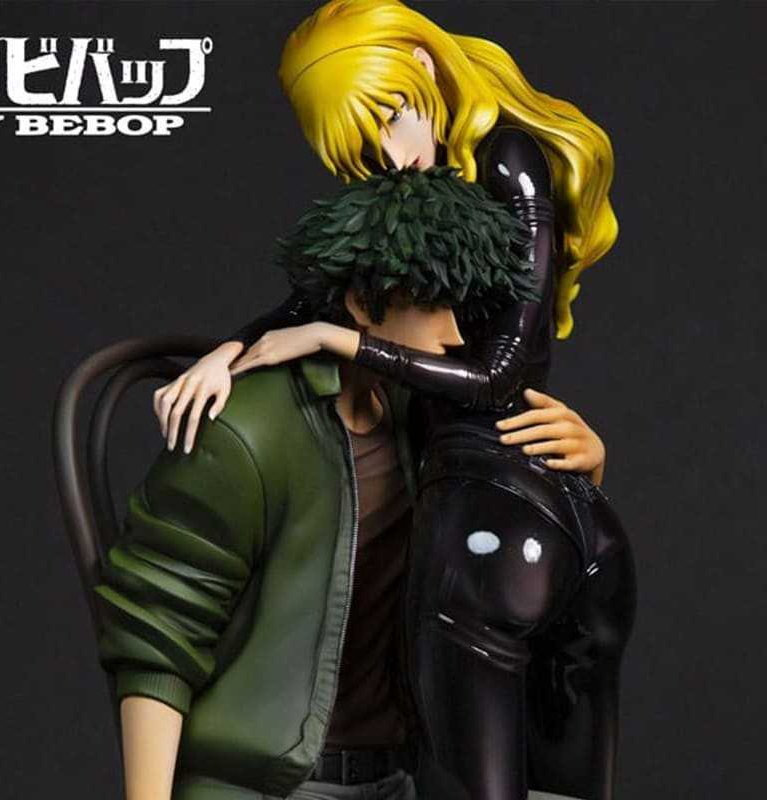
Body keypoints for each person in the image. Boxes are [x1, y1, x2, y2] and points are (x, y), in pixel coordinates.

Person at [151, 3, 635, 798]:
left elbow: (498, 375)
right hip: (572, 518)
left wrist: (339, 342)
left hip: (489, 517)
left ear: (422, 60)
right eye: (363, 148)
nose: (391, 156)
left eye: (389, 116)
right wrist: (228, 352)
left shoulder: (508, 160)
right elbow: (319, 295)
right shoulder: (420, 189)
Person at [92, 165, 563, 800]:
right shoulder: (249, 431)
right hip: (266, 786)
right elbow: (159, 628)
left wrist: (579, 463)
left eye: (463, 310)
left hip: (403, 778)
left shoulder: (420, 422)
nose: (455, 336)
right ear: (363, 306)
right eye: (433, 305)